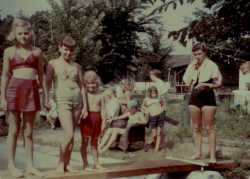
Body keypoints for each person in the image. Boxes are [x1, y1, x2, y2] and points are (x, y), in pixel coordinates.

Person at [0, 20, 49, 178]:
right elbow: (5, 76)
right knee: (13, 130)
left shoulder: (37, 52)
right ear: (15, 33)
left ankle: (30, 166)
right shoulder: (9, 51)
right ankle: (12, 166)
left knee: (28, 131)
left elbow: (41, 75)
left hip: (31, 91)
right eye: (20, 33)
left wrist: (46, 96)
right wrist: (2, 97)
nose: (23, 36)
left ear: (31, 34)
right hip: (14, 91)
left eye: (26, 33)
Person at [45, 36, 87, 174]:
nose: (68, 53)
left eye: (71, 50)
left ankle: (67, 164)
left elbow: (82, 87)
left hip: (77, 102)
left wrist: (85, 106)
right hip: (62, 101)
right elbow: (46, 83)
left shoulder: (76, 66)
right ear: (59, 48)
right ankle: (60, 163)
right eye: (66, 49)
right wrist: (45, 99)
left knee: (72, 135)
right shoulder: (53, 63)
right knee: (68, 134)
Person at [183, 43, 222, 163]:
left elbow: (219, 83)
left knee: (209, 128)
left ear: (205, 53)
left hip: (208, 95)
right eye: (195, 54)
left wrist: (211, 88)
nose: (197, 56)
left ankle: (212, 157)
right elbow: (187, 83)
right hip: (195, 96)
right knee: (196, 128)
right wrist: (193, 68)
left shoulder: (211, 65)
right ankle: (197, 154)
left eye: (199, 54)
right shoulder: (191, 65)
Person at [80, 70, 107, 171]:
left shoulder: (101, 95)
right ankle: (85, 164)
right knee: (84, 142)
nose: (91, 85)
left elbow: (104, 110)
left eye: (93, 83)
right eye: (88, 83)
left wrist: (104, 122)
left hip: (97, 120)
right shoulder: (84, 95)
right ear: (85, 84)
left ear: (97, 83)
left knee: (94, 144)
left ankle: (96, 164)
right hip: (87, 120)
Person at [141, 86, 165, 151]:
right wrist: (146, 109)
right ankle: (155, 145)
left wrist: (162, 109)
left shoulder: (158, 99)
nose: (154, 94)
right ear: (149, 93)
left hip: (159, 116)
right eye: (153, 93)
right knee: (154, 134)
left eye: (155, 93)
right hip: (153, 117)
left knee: (159, 132)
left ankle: (157, 148)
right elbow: (142, 106)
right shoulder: (147, 99)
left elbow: (163, 105)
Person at [149, 69, 167, 148]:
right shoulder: (156, 83)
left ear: (155, 75)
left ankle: (162, 144)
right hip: (156, 108)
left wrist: (160, 96)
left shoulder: (160, 82)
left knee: (160, 127)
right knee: (158, 127)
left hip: (160, 108)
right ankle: (158, 143)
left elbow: (165, 90)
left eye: (151, 75)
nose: (150, 77)